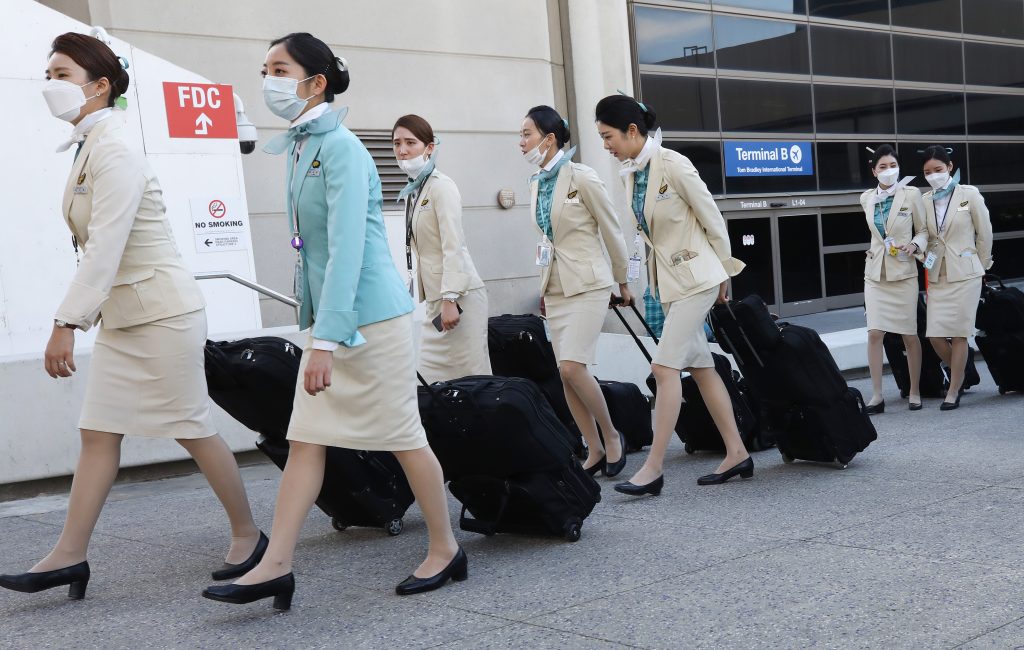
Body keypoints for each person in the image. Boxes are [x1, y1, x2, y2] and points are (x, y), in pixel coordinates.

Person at [202, 33, 464, 611]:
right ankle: (276, 565)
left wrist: (323, 340)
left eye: (279, 68)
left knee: (402, 437)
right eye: (264, 67)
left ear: (315, 81)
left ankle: (445, 547)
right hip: (333, 321)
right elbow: (310, 249)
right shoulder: (301, 145)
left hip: (373, 322)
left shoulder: (341, 147)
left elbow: (346, 250)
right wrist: (316, 327)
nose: (267, 78)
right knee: (305, 438)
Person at [0, 33, 263, 601]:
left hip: (162, 314)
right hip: (126, 317)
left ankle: (249, 535)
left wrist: (64, 322)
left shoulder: (115, 146)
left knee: (191, 426)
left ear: (99, 86)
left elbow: (106, 245)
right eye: (49, 72)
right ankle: (68, 557)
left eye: (61, 73)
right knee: (97, 434)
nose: (50, 83)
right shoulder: (88, 144)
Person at [594, 94, 750, 494]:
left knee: (664, 369)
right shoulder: (631, 173)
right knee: (701, 367)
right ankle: (737, 452)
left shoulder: (675, 164)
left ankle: (653, 468)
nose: (605, 146)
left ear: (632, 131)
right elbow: (641, 236)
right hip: (668, 284)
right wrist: (627, 280)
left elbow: (712, 218)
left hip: (698, 277)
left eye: (608, 136)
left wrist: (725, 273)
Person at [519, 105, 632, 478]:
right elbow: (545, 241)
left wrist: (624, 280)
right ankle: (594, 447)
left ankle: (613, 437)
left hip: (589, 284)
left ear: (549, 139)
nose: (521, 142)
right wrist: (543, 286)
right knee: (564, 373)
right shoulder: (535, 182)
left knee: (573, 366)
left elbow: (612, 230)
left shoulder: (583, 177)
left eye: (527, 134)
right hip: (555, 287)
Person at [392, 114, 491, 383]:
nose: (402, 150)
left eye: (410, 143)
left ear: (429, 148)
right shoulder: (416, 190)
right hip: (437, 302)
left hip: (460, 298)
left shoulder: (441, 187)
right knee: (430, 381)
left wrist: (450, 299)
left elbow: (453, 245)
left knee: (472, 380)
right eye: (397, 143)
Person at [919, 145, 993, 411]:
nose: (933, 175)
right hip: (938, 273)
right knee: (936, 336)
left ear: (949, 167)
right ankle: (962, 370)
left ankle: (953, 389)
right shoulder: (925, 200)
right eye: (928, 172)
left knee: (960, 334)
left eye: (938, 170)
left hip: (966, 273)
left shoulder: (969, 194)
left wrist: (981, 266)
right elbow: (925, 235)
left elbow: (984, 233)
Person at [859, 145, 929, 413]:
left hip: (903, 272)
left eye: (892, 165)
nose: (889, 171)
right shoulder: (866, 198)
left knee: (909, 335)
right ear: (874, 171)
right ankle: (876, 396)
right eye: (883, 167)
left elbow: (923, 230)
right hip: (875, 273)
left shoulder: (911, 194)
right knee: (875, 333)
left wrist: (915, 244)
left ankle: (914, 390)